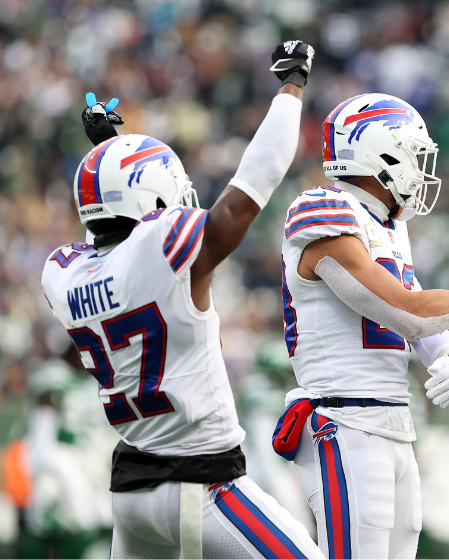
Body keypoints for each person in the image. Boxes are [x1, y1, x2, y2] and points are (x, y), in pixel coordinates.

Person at [41, 40, 324, 559]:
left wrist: (107, 155)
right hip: (204, 487)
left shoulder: (63, 272)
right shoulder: (162, 247)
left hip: (130, 493)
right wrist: (292, 87)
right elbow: (254, 182)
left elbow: (111, 235)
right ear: (153, 200)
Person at [271, 93, 449, 559]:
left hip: (392, 419)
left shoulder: (386, 224)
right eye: (414, 153)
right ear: (379, 154)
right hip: (343, 418)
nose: (422, 168)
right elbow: (404, 311)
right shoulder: (325, 209)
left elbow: (413, 307)